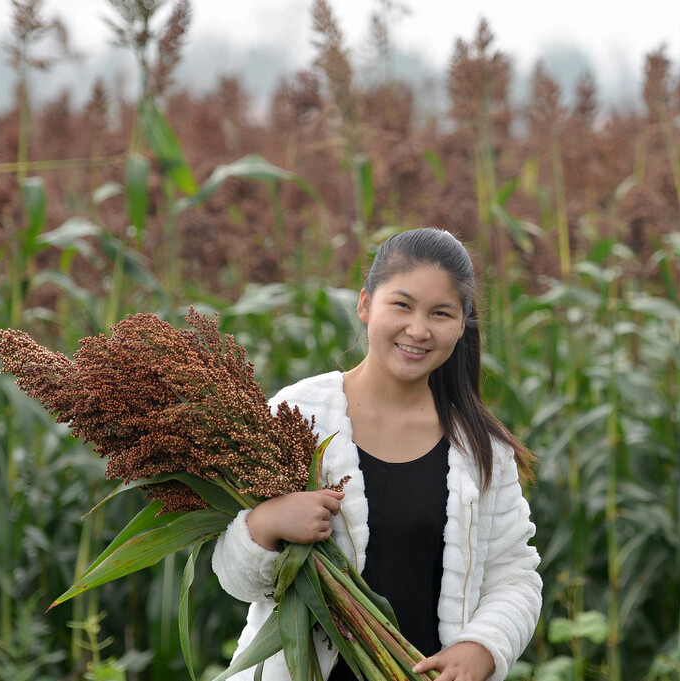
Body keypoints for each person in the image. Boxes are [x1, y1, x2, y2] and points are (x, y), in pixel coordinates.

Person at [212, 227, 541, 681]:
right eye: (401, 305)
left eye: (441, 313)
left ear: (462, 324)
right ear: (365, 304)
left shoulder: (481, 447)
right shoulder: (297, 415)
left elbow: (514, 576)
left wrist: (482, 648)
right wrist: (265, 526)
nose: (418, 329)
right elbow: (236, 580)